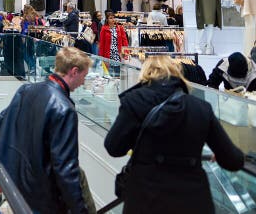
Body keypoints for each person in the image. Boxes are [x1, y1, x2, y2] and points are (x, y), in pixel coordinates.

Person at [104, 55, 244, 213]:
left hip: (146, 197)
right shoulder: (201, 107)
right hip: (192, 199)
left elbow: (113, 147)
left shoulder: (134, 101)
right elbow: (233, 160)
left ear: (145, 74)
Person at [0, 47, 93, 213]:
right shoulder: (64, 109)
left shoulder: (27, 90)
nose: (83, 82)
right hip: (40, 194)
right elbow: (65, 167)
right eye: (84, 76)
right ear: (74, 71)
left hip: (13, 182)